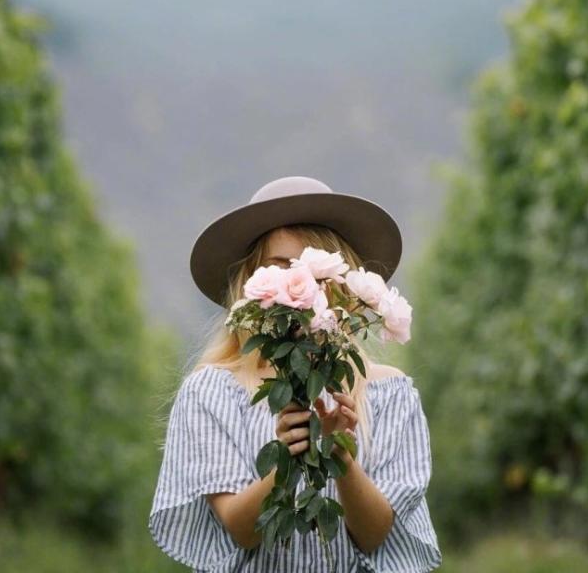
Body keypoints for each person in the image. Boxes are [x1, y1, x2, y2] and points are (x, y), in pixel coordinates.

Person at [148, 175, 442, 572]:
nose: (300, 280)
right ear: (254, 283)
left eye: (313, 266)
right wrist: (287, 460)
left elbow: (375, 535)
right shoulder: (212, 391)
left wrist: (340, 454)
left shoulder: (390, 393)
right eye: (281, 265)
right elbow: (241, 528)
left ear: (343, 284)